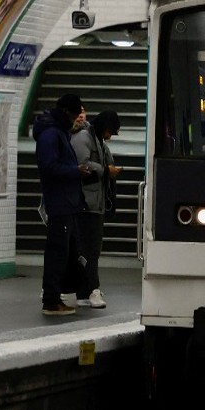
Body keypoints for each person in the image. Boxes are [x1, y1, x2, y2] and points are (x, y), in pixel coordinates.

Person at [33, 92, 85, 318]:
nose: (76, 119)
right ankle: (51, 300)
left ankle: (56, 295)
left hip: (66, 202)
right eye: (75, 114)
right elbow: (48, 167)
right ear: (67, 112)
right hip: (59, 202)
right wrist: (76, 171)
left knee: (65, 251)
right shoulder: (51, 135)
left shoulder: (58, 132)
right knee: (57, 252)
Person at [71, 109, 121, 310]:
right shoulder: (84, 138)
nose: (110, 136)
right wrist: (104, 170)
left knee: (90, 249)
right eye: (110, 131)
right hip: (86, 203)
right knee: (90, 250)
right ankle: (92, 289)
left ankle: (84, 291)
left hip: (95, 203)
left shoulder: (97, 139)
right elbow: (81, 165)